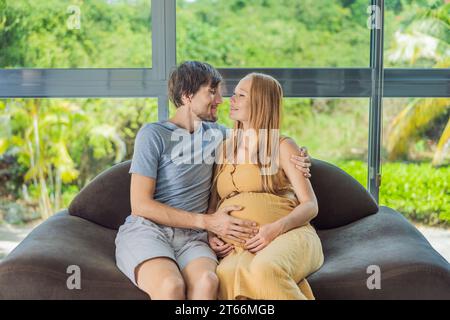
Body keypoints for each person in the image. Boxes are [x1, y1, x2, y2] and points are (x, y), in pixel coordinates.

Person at [115, 61, 312, 300]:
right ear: (187, 96)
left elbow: (259, 139)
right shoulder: (153, 134)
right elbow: (140, 205)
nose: (221, 99)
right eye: (211, 91)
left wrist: (301, 156)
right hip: (151, 231)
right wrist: (208, 223)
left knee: (209, 282)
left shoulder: (219, 136)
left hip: (193, 238)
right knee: (171, 286)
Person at [207, 73, 324, 300]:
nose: (231, 99)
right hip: (241, 247)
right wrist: (213, 234)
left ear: (260, 102)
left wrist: (275, 229)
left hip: (290, 234)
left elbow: (310, 205)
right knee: (225, 273)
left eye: (241, 95)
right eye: (234, 94)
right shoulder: (223, 149)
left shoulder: (283, 146)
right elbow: (213, 208)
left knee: (265, 268)